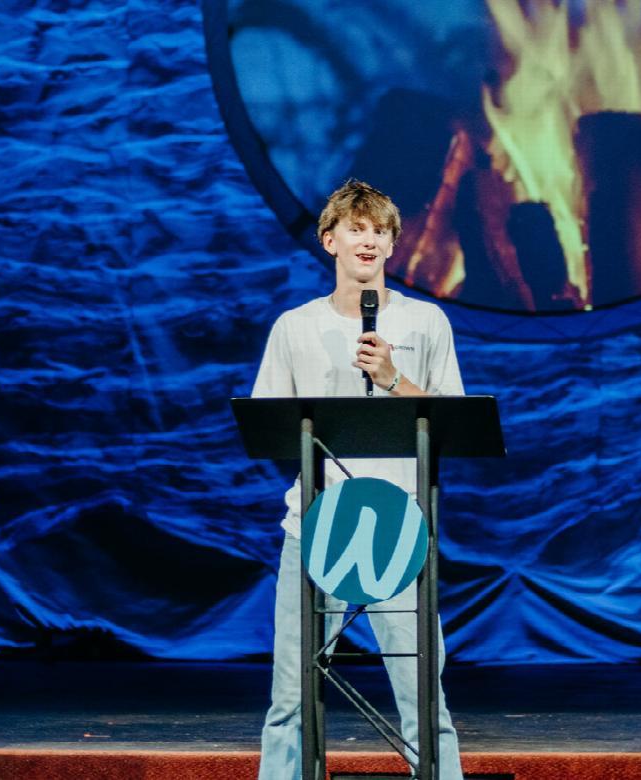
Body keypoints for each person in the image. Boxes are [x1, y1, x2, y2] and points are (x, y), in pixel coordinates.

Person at [252, 180, 465, 780]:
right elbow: (268, 424)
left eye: (379, 231)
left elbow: (454, 421)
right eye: (355, 229)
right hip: (317, 524)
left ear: (393, 245)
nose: (368, 240)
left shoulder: (425, 321)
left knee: (424, 698)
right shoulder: (295, 327)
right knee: (291, 697)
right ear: (330, 241)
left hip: (399, 523)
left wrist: (394, 378)